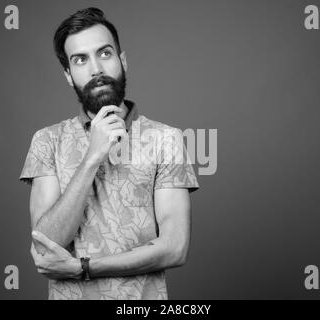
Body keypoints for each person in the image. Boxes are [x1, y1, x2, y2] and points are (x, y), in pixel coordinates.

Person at [19, 7, 199, 300]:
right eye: (80, 60)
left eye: (104, 53)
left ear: (122, 60)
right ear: (68, 75)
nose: (96, 69)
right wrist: (93, 156)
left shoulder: (167, 139)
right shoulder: (47, 141)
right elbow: (45, 245)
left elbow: (175, 247)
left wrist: (83, 267)